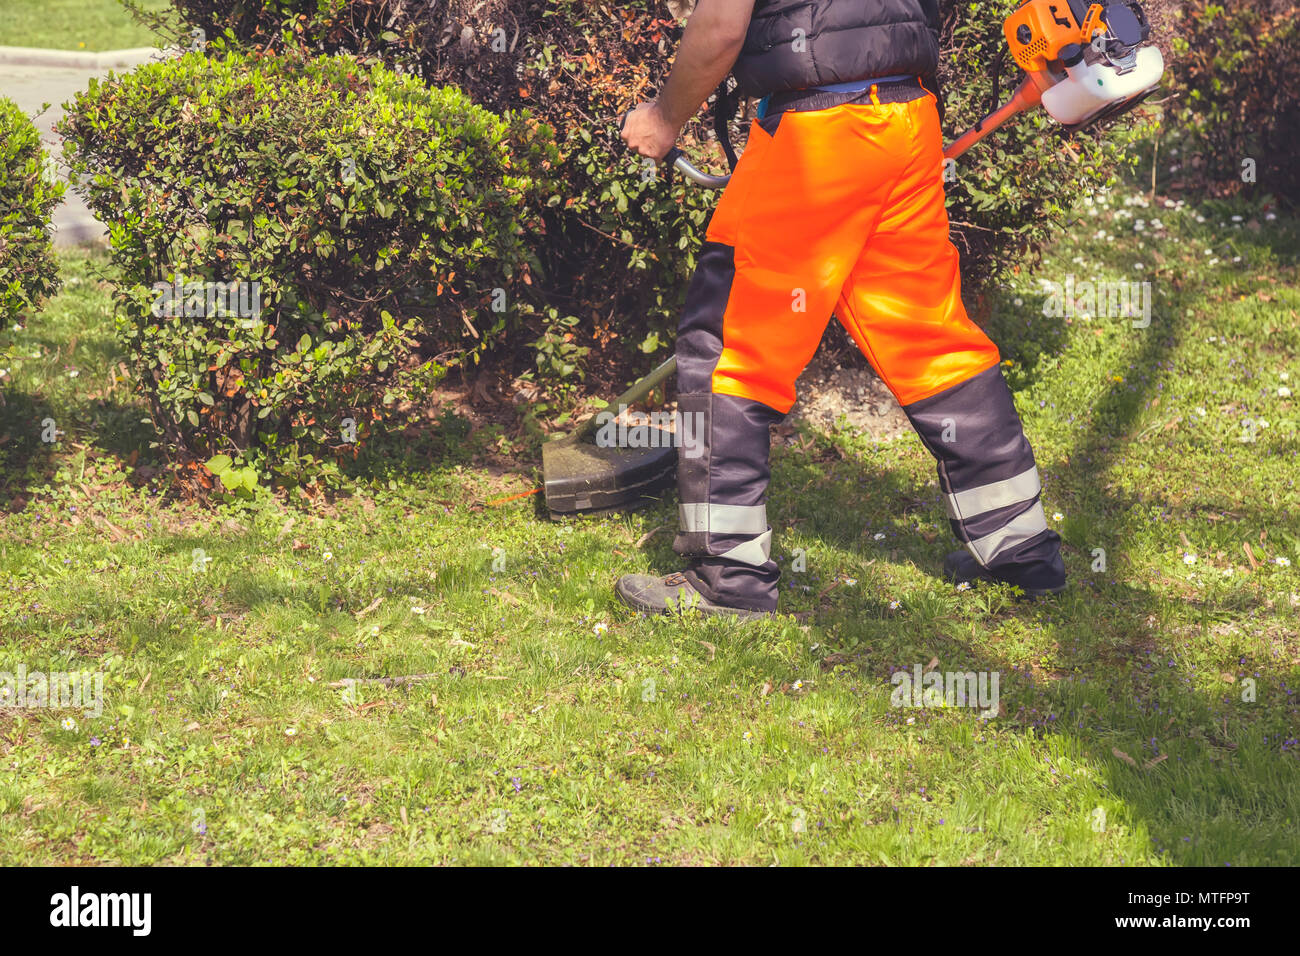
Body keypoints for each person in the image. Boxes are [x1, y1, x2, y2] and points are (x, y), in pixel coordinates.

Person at [616, 0, 1065, 619]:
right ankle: (1019, 549)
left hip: (817, 135)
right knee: (930, 342)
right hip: (905, 118)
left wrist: (664, 117)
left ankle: (727, 576)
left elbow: (720, 26)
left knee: (730, 347)